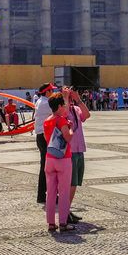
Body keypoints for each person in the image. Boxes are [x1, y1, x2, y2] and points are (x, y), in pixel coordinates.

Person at [42, 94, 76, 232]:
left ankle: (51, 223)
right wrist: (71, 128)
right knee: (63, 192)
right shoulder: (62, 120)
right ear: (60, 106)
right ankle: (62, 222)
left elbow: (47, 139)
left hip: (49, 159)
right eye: (64, 106)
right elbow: (68, 138)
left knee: (50, 193)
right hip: (63, 159)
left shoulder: (47, 121)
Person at [63, 87, 90, 224]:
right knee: (71, 184)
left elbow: (87, 115)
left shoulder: (76, 109)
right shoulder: (63, 108)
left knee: (75, 183)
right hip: (70, 150)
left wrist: (78, 99)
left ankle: (66, 211)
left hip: (79, 149)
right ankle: (64, 212)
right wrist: (66, 98)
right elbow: (64, 114)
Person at [34, 84, 54, 204]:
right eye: (51, 90)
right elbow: (61, 111)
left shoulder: (41, 101)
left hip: (42, 136)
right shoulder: (46, 103)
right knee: (46, 167)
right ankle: (42, 195)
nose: (53, 92)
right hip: (44, 137)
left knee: (46, 166)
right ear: (47, 92)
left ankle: (43, 194)